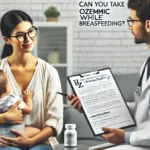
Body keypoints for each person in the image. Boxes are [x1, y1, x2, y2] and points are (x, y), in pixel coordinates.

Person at [67, 0, 150, 149]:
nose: (129, 26)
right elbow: (141, 109)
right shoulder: (146, 64)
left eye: (132, 21)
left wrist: (125, 136)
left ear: (148, 25)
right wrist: (90, 106)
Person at [0, 10, 63, 150]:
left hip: (40, 141)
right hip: (4, 141)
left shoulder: (49, 72)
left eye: (31, 31)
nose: (28, 39)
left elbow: (55, 120)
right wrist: (4, 118)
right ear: (6, 40)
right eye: (20, 35)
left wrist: (30, 141)